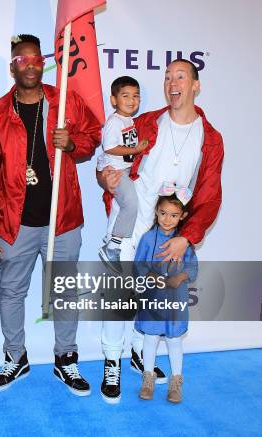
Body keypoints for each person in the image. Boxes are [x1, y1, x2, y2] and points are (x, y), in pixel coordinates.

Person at [97, 58, 224, 404]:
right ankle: (112, 360)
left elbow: (210, 195)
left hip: (167, 233)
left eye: (180, 76)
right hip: (129, 221)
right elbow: (107, 157)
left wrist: (186, 237)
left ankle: (141, 354)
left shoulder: (209, 139)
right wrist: (104, 178)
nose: (172, 82)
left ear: (195, 86)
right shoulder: (146, 122)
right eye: (167, 77)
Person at [0, 34, 101, 395]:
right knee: (11, 292)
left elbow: (93, 135)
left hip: (61, 219)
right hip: (14, 222)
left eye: (36, 59)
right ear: (12, 66)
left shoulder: (65, 100)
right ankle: (15, 357)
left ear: (43, 63)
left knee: (64, 292)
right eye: (22, 60)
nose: (30, 65)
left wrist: (74, 144)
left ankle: (66, 359)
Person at [134, 185, 197, 404]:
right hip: (153, 299)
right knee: (150, 338)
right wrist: (151, 275)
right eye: (163, 213)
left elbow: (192, 269)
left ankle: (176, 382)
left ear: (183, 217)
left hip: (175, 300)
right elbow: (138, 265)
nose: (167, 220)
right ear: (156, 212)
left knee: (174, 341)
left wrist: (179, 278)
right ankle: (148, 379)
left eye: (174, 215)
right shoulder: (147, 239)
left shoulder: (184, 243)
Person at [97, 76, 148, 273]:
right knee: (131, 203)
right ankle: (112, 246)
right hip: (115, 171)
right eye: (125, 95)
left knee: (125, 206)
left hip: (124, 170)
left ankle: (112, 241)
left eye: (136, 96)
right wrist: (135, 150)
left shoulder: (129, 120)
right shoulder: (114, 121)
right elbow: (109, 147)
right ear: (113, 100)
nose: (131, 100)